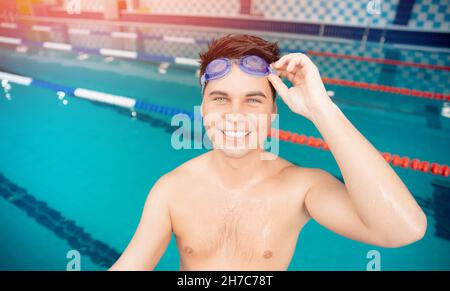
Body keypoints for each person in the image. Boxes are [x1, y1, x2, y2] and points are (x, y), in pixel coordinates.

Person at [109, 34, 426, 271]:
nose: (235, 114)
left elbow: (401, 231)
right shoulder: (171, 189)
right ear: (202, 107)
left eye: (253, 100)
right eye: (220, 98)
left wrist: (322, 111)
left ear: (274, 111)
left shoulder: (302, 187)